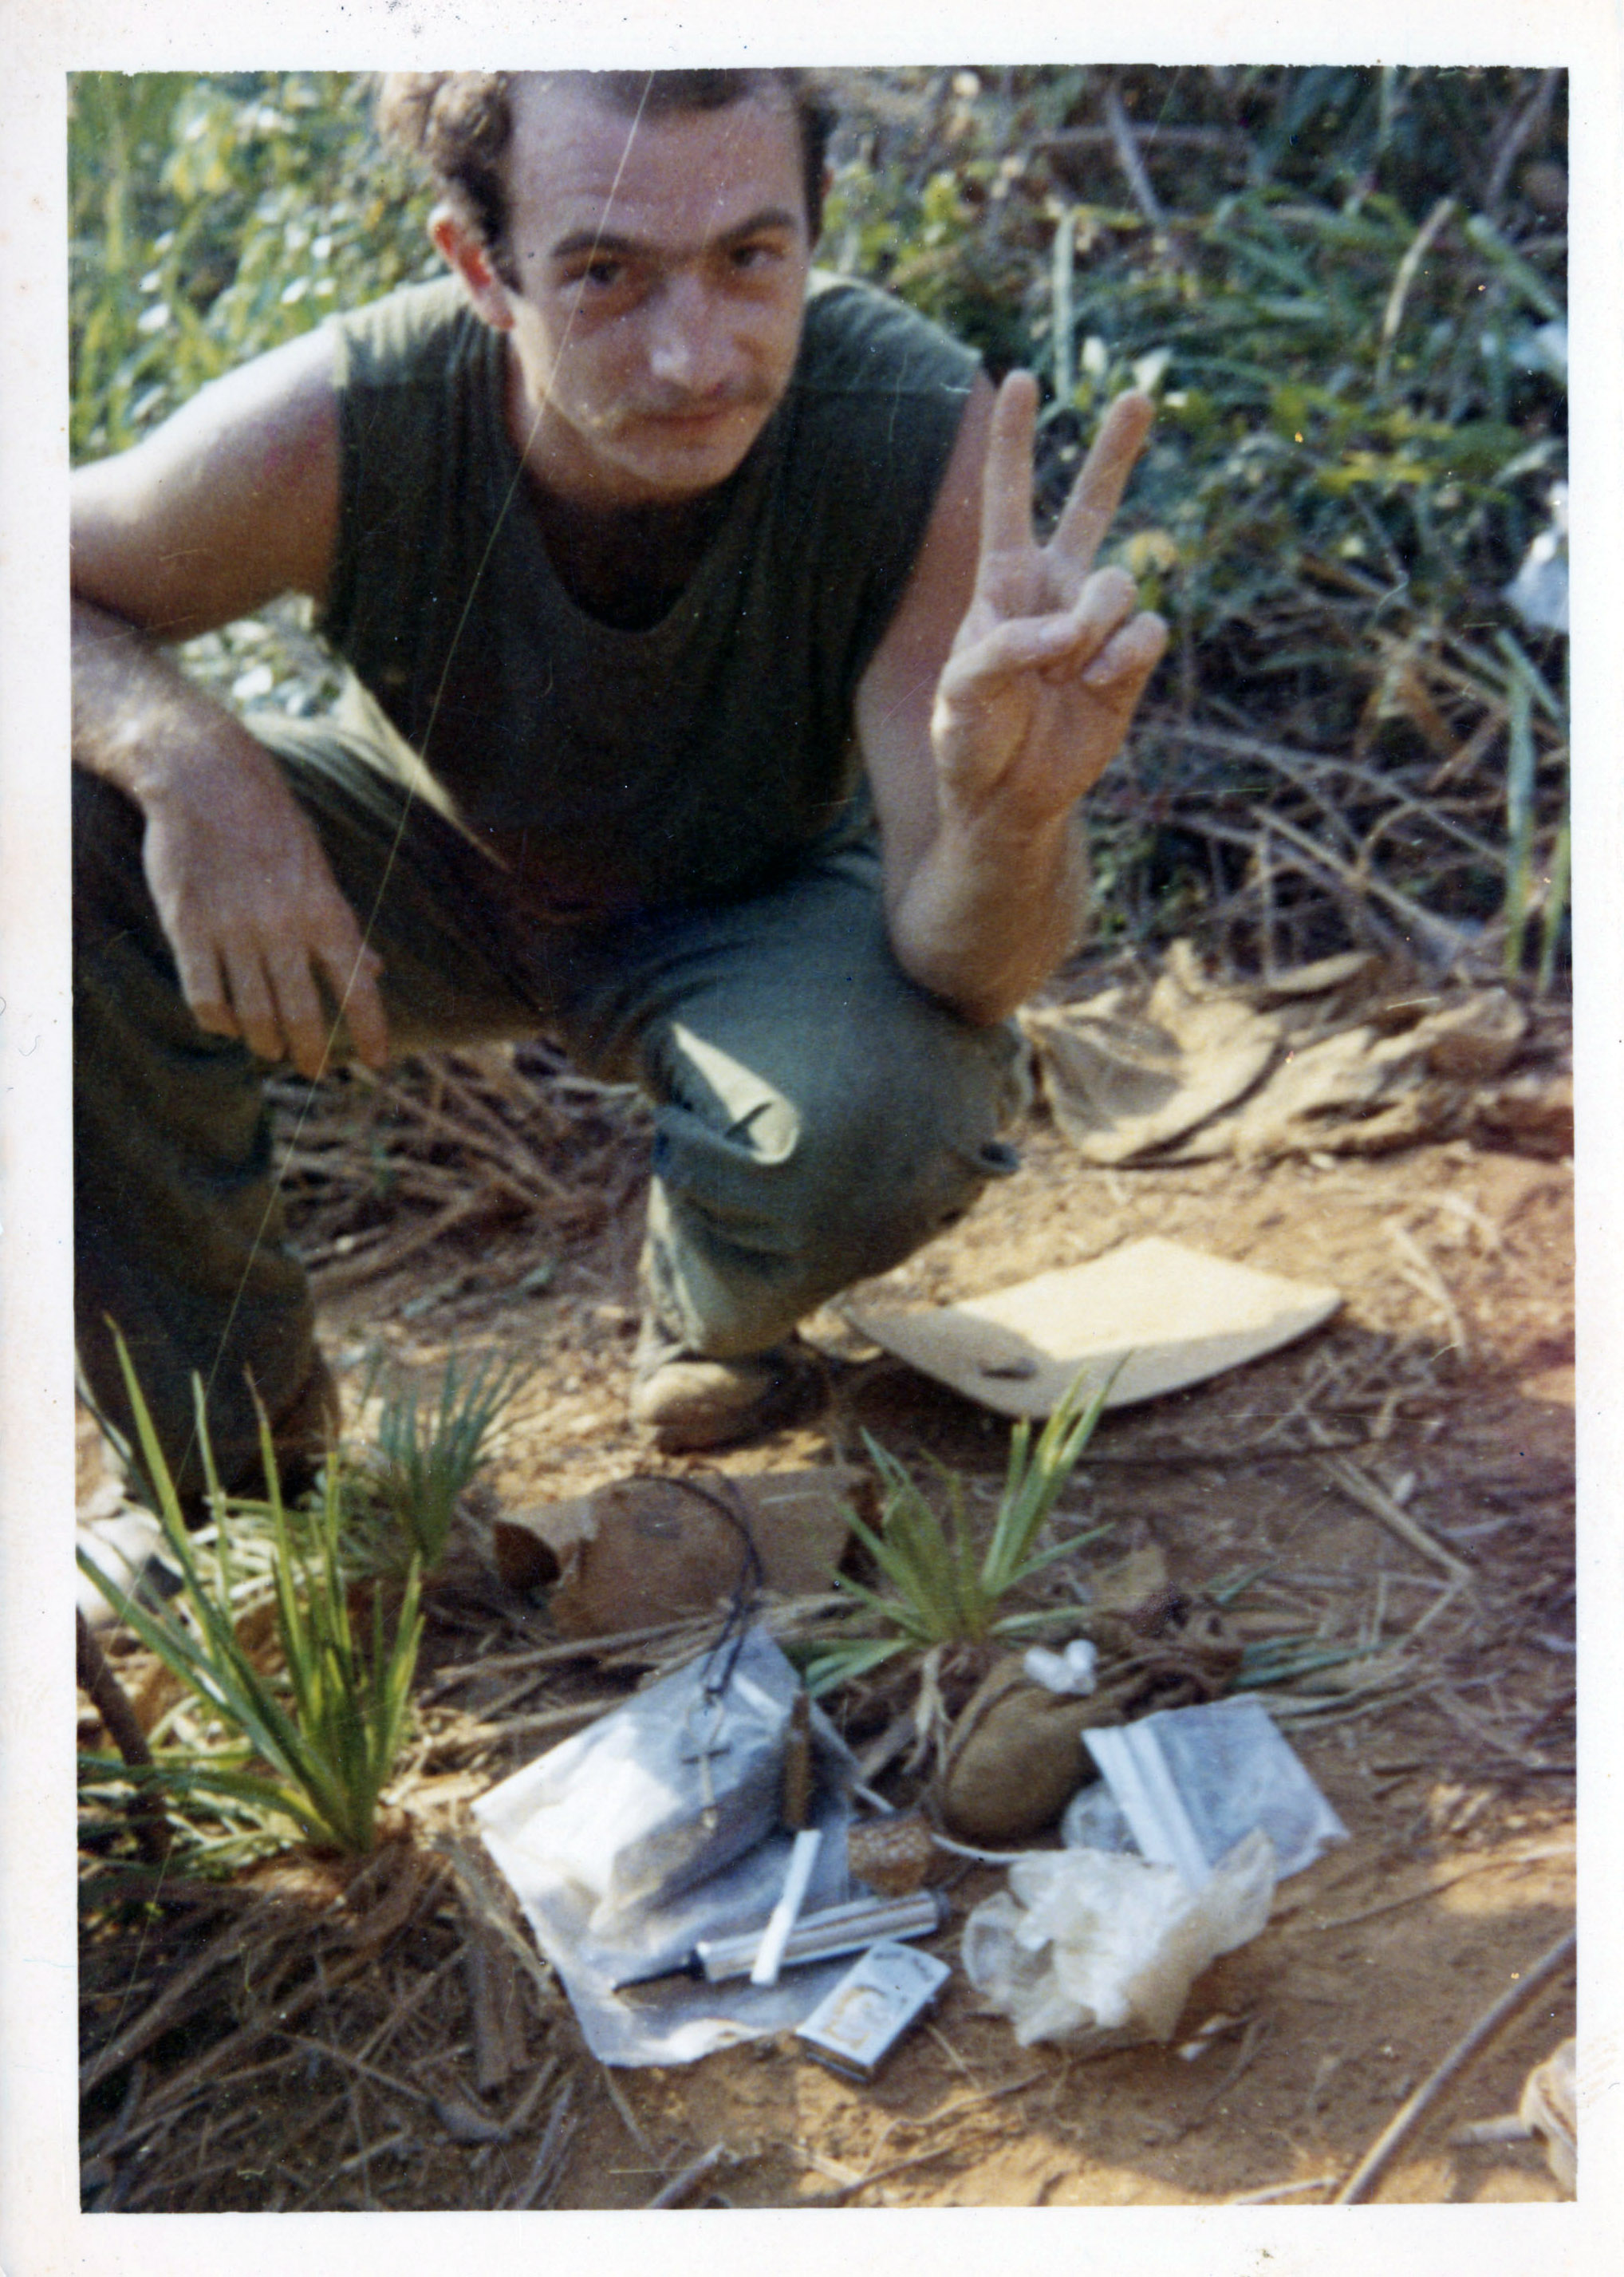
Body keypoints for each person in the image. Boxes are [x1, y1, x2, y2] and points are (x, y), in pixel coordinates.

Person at [71, 68, 1167, 1498]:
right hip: (427, 863)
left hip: (757, 900)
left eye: (749, 260)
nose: (692, 357)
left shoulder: (914, 432)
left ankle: (714, 1314)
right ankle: (232, 1482)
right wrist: (190, 761)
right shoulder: (338, 424)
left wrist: (1011, 820)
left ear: (815, 238)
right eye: (604, 273)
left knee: (894, 1110)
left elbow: (965, 967)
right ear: (482, 266)